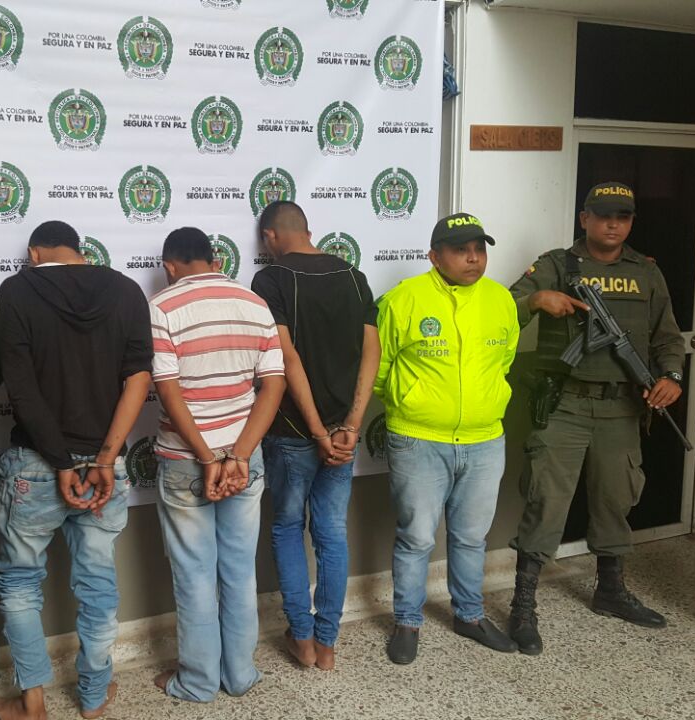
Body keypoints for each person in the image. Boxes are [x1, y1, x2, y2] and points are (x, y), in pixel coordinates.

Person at [506, 182, 684, 655]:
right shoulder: (556, 265)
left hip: (621, 406)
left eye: (622, 216)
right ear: (584, 218)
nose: (613, 224)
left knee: (615, 498)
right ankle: (523, 606)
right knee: (547, 499)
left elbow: (668, 335)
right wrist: (535, 301)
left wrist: (671, 375)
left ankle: (610, 590)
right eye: (603, 215)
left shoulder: (646, 272)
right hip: (564, 402)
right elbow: (501, 308)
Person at [0, 220, 152, 719]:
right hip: (107, 468)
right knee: (99, 583)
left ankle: (33, 701)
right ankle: (93, 694)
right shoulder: (126, 290)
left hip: (36, 466)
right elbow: (139, 380)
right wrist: (104, 457)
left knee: (20, 583)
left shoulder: (17, 290)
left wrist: (61, 461)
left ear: (36, 253)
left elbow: (19, 388)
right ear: (79, 251)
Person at [148, 228, 286, 702]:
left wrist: (209, 457)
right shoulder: (253, 302)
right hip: (245, 460)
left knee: (194, 574)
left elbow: (167, 389)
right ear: (213, 258)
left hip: (188, 462)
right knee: (239, 569)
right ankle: (240, 675)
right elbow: (273, 385)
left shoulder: (163, 308)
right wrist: (239, 454)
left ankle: (199, 682)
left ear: (170, 265)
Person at [376, 212, 520, 664]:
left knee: (471, 537)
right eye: (461, 250)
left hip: (484, 440)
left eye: (479, 249)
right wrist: (414, 400)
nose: (473, 258)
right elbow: (379, 371)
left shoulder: (501, 300)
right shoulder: (404, 299)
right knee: (417, 537)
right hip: (419, 440)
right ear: (434, 256)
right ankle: (407, 622)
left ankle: (470, 616)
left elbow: (505, 361)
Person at [251, 201, 379, 670]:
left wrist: (317, 431)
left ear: (269, 237)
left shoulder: (270, 279)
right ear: (308, 229)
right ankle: (327, 646)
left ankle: (301, 641)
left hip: (292, 432)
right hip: (343, 433)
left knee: (287, 528)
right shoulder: (353, 275)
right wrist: (350, 425)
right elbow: (372, 351)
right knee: (331, 533)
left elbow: (287, 359)